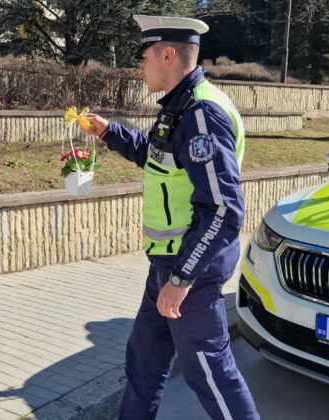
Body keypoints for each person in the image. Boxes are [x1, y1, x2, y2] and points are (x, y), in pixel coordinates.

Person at [82, 15, 259, 420]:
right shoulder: (180, 106)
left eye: (143, 58)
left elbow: (223, 209)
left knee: (210, 375)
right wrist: (109, 132)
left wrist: (181, 279)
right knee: (144, 361)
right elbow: (155, 156)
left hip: (189, 271)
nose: (139, 68)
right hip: (167, 263)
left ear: (167, 55)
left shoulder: (201, 113)